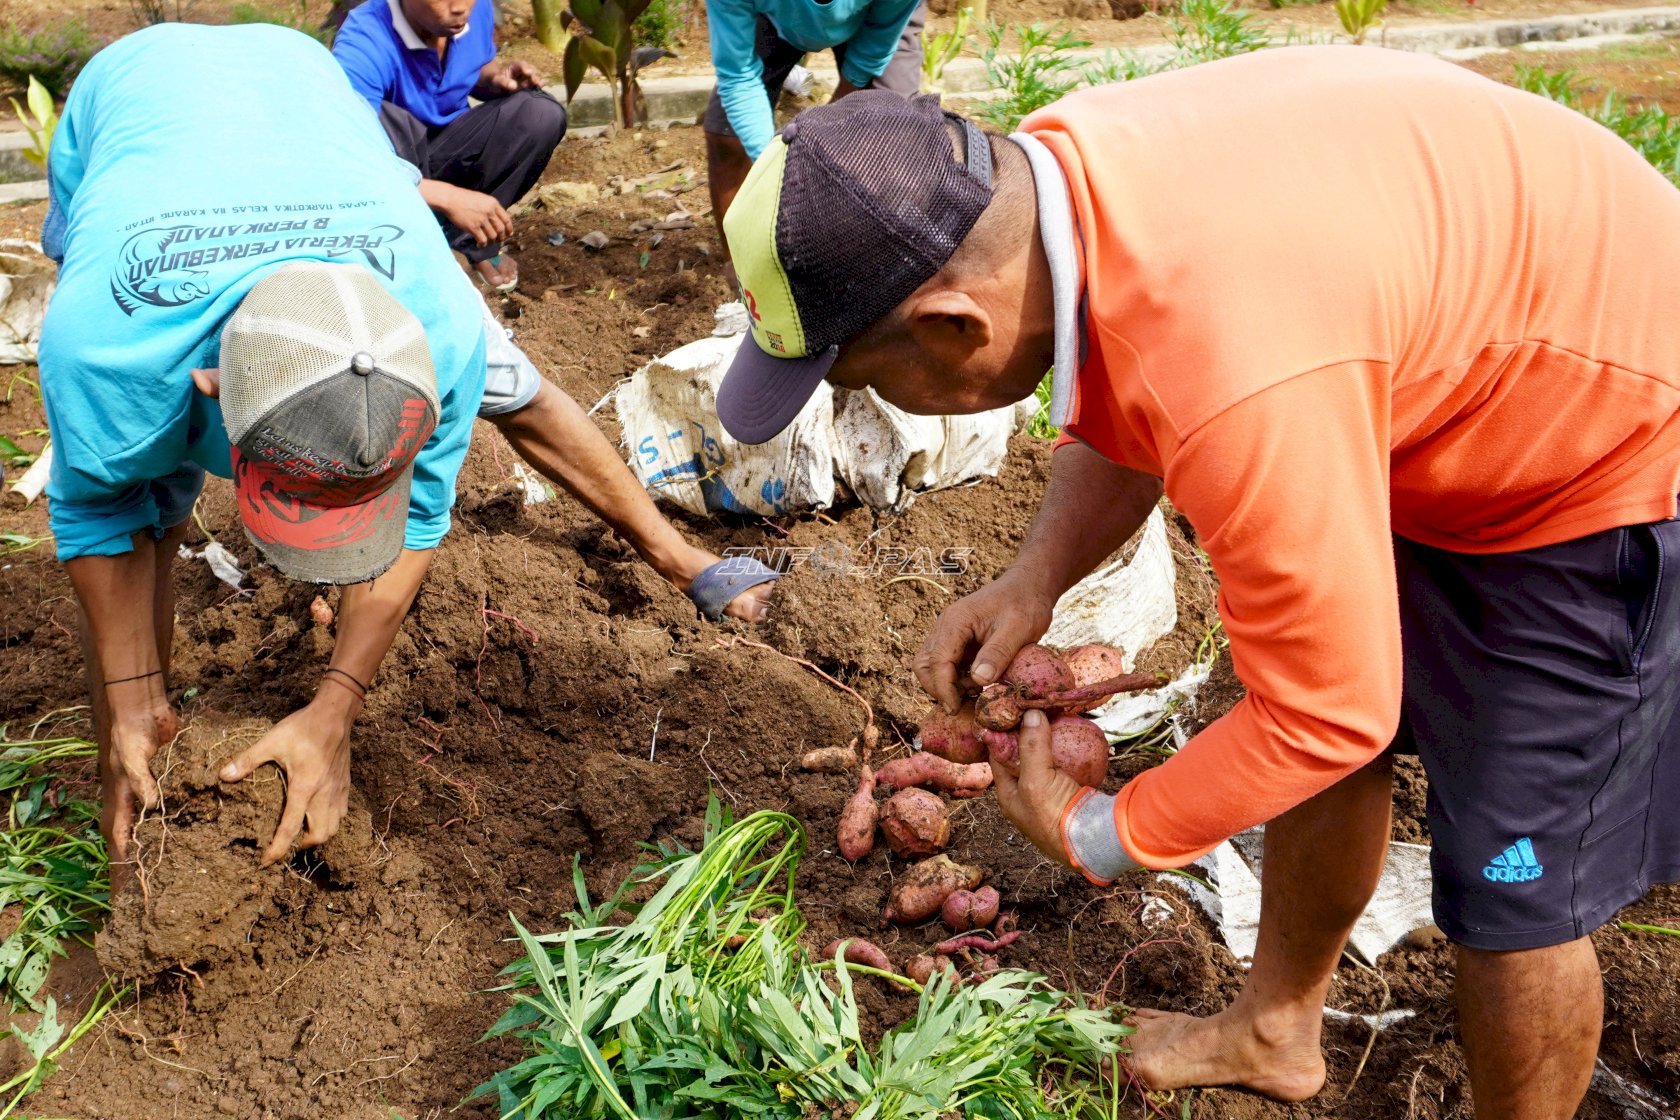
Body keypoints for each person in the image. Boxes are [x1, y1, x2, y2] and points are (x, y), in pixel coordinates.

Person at [709, 51, 1680, 1120]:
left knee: (1513, 881)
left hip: (1614, 436)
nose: (879, 399)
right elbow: (1138, 381)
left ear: (951, 326)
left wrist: (1095, 830)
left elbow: (1325, 710)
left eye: (866, 377)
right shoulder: (1051, 189)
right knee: (1307, 691)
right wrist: (1035, 581)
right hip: (1437, 378)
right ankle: (1276, 1030)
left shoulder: (1236, 355)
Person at [39, 23, 775, 884]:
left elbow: (421, 516)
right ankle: (125, 784)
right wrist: (128, 702)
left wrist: (336, 708)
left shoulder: (440, 325)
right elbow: (96, 511)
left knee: (520, 390)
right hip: (134, 97)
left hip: (311, 106)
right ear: (210, 388)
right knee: (146, 501)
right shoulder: (111, 348)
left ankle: (677, 555)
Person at [333, 0, 567, 293]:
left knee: (539, 113)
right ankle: (411, 245)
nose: (460, 8)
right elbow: (344, 157)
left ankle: (468, 241)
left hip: (447, 147)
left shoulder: (473, 10)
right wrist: (448, 197)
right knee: (389, 119)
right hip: (390, 165)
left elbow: (475, 66)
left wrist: (495, 79)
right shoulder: (364, 41)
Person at [704, 0, 925, 246]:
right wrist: (774, 169)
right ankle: (739, 264)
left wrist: (832, 125)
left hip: (876, 15)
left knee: (893, 133)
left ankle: (885, 257)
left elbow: (874, 47)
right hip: (775, 18)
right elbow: (739, 75)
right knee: (727, 136)